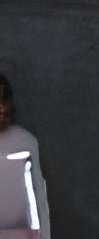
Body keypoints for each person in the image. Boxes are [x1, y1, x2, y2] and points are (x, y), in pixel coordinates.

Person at [0, 72, 44, 235]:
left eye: (5, 102)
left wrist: (41, 235)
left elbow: (38, 197)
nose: (2, 109)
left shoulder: (26, 142)